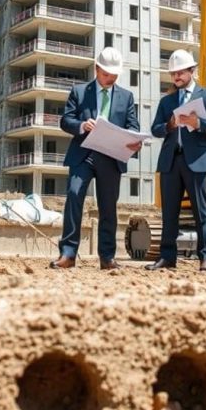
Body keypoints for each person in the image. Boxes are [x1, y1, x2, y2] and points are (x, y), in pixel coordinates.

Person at [50, 47, 140, 270]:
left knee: (108, 207)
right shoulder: (79, 92)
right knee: (73, 195)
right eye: (106, 73)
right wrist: (81, 125)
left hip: (111, 157)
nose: (110, 78)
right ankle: (68, 254)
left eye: (114, 75)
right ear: (96, 68)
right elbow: (65, 120)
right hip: (83, 154)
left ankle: (107, 258)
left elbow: (133, 126)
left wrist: (134, 141)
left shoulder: (127, 97)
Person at [145, 49, 206, 272]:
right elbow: (155, 130)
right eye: (173, 74)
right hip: (171, 161)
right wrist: (169, 126)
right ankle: (167, 258)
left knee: (202, 211)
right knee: (169, 213)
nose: (176, 77)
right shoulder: (167, 101)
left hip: (197, 161)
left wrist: (197, 123)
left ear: (191, 71)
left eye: (180, 72)